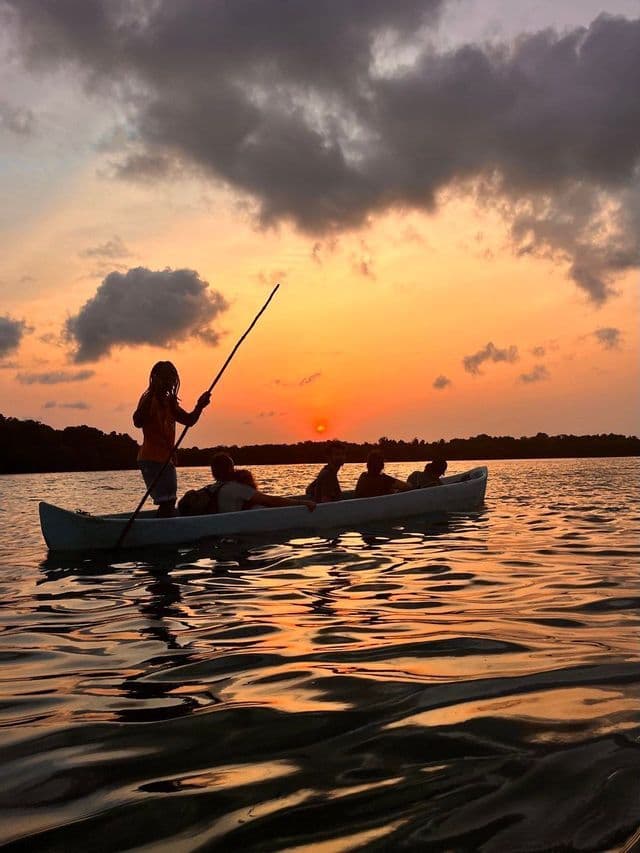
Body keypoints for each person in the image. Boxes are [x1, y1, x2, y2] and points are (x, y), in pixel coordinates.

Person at [133, 361, 210, 517]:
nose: (169, 383)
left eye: (172, 379)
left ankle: (161, 524)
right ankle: (162, 530)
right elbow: (137, 421)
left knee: (168, 501)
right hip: (151, 459)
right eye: (165, 378)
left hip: (165, 460)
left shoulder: (169, 403)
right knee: (167, 501)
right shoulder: (149, 399)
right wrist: (153, 393)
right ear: (155, 379)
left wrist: (199, 406)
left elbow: (189, 420)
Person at [179, 453, 315, 515]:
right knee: (258, 507)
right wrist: (301, 503)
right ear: (229, 469)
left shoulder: (210, 489)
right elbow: (270, 500)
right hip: (233, 536)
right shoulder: (235, 489)